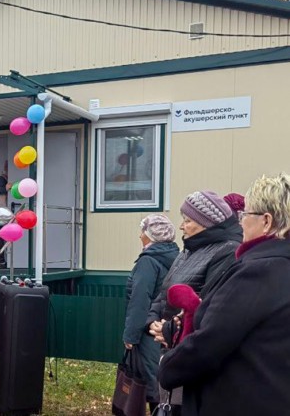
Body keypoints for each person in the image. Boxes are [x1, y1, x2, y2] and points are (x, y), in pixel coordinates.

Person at [159, 174, 290, 415]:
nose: (240, 223)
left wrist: (167, 366)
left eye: (245, 215)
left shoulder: (258, 272)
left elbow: (211, 341)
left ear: (267, 220)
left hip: (241, 401)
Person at [146, 190, 242, 414]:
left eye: (187, 220)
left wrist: (170, 329)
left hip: (191, 350)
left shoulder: (226, 251)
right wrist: (152, 320)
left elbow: (209, 304)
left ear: (205, 223)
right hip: (171, 346)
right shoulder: (188, 250)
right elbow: (165, 291)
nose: (181, 226)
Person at [122, 215, 179, 412]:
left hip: (148, 331)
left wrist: (131, 335)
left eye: (142, 232)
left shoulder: (148, 261)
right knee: (162, 375)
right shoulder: (177, 257)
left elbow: (140, 299)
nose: (139, 236)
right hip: (168, 327)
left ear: (150, 236)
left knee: (150, 379)